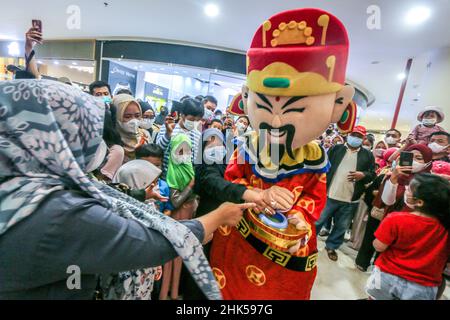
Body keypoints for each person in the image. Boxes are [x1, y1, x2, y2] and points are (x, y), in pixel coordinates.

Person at [0, 79, 257, 300]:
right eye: (87, 131)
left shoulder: (20, 185)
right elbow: (149, 243)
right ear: (57, 136)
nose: (96, 142)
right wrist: (217, 218)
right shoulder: (55, 208)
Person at [210, 8, 357, 300]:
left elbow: (315, 196)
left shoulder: (315, 155)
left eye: (295, 110)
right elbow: (231, 182)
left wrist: (300, 217)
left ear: (338, 106)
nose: (276, 122)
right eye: (265, 107)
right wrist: (256, 195)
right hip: (241, 230)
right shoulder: (248, 146)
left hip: (288, 237)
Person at [365, 174, 450, 300]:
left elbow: (379, 246)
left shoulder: (396, 219)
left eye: (409, 189)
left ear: (420, 202)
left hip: (386, 276)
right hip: (423, 286)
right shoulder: (445, 228)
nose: (405, 189)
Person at [315, 126, 376, 261]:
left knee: (341, 226)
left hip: (350, 199)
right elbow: (323, 166)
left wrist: (363, 175)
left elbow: (373, 174)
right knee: (318, 221)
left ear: (363, 138)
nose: (356, 138)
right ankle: (308, 242)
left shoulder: (368, 155)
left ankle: (331, 247)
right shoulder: (336, 149)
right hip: (329, 194)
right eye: (354, 135)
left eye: (359, 136)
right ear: (349, 135)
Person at [355, 147, 399, 271]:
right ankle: (362, 262)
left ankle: (378, 266)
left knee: (386, 244)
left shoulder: (415, 182)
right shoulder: (386, 176)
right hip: (378, 213)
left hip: (395, 218)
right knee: (369, 237)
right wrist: (379, 194)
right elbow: (370, 191)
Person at [156, 98, 204, 177]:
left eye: (198, 120)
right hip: (165, 177)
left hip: (184, 180)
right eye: (191, 119)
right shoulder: (168, 127)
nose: (194, 123)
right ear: (182, 115)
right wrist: (167, 135)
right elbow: (158, 151)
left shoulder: (197, 135)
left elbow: (195, 161)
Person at [113, 94, 151, 161]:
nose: (134, 121)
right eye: (127, 117)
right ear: (116, 116)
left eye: (137, 116)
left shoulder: (145, 136)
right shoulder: (110, 141)